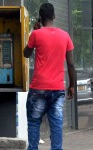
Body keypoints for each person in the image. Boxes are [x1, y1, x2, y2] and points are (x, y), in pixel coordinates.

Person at [24, 3, 75, 150]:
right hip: (57, 90)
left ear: (40, 18)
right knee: (56, 125)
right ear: (54, 16)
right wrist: (71, 85)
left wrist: (33, 33)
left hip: (39, 88)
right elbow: (71, 64)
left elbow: (26, 54)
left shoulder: (36, 34)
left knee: (34, 123)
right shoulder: (65, 36)